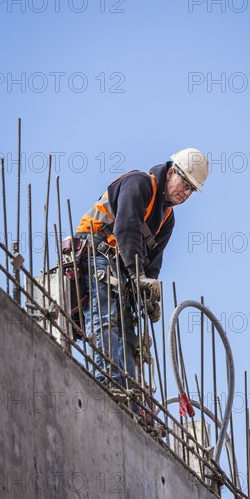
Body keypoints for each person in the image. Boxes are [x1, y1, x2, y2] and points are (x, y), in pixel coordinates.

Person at [74, 148, 209, 389]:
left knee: (128, 335)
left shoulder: (167, 218)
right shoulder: (139, 184)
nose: (186, 193)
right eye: (184, 183)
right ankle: (109, 384)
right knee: (107, 322)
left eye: (191, 190)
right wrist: (137, 276)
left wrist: (147, 296)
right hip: (97, 253)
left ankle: (128, 393)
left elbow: (152, 263)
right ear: (170, 173)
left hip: (121, 268)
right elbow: (125, 228)